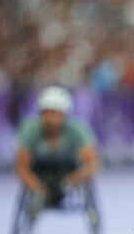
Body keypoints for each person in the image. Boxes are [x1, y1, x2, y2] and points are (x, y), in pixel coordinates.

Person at [16, 86, 100, 217]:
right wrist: (36, 187)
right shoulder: (30, 130)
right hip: (40, 170)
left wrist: (73, 180)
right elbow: (22, 167)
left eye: (55, 113)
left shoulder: (78, 129)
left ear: (65, 114)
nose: (50, 119)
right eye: (46, 113)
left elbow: (92, 163)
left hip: (69, 171)